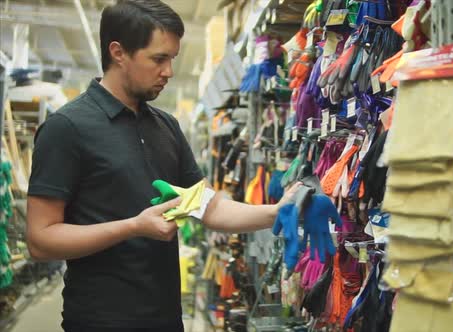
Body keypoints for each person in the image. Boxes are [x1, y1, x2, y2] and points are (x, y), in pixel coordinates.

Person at [25, 1, 298, 331]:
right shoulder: (67, 128)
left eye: (172, 59)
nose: (169, 71)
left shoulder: (166, 126)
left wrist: (275, 213)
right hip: (100, 321)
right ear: (118, 53)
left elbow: (205, 207)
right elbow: (40, 240)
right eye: (159, 58)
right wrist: (133, 227)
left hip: (166, 320)